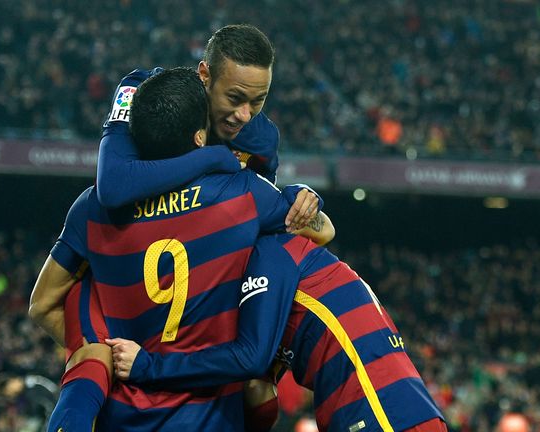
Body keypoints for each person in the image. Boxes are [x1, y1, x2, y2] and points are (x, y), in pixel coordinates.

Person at [29, 67, 334, 432]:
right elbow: (322, 229)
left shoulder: (92, 209)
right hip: (213, 414)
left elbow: (42, 305)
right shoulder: (243, 194)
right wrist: (304, 194)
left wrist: (97, 361)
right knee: (258, 383)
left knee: (84, 291)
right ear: (201, 136)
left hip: (123, 413)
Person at [109, 233, 447, 432]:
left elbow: (250, 359)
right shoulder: (273, 297)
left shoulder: (271, 252)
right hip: (379, 414)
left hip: (383, 413)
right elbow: (262, 399)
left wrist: (150, 367)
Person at [94, 24, 318, 231]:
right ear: (205, 75)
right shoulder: (142, 93)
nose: (244, 115)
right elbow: (113, 186)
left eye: (258, 100)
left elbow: (260, 210)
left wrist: (302, 198)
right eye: (234, 97)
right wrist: (214, 157)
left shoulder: (262, 139)